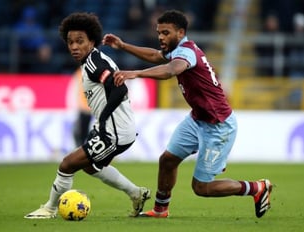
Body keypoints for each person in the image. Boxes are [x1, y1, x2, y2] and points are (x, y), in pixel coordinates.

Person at [103, 10, 272, 218]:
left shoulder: (187, 52)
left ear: (181, 32)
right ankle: (160, 209)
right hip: (197, 119)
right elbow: (156, 56)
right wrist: (123, 46)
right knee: (167, 160)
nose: (161, 37)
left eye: (166, 33)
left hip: (218, 125)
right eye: (159, 33)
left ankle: (256, 187)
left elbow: (170, 70)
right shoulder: (176, 50)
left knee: (202, 188)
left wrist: (136, 73)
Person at [24, 12, 151, 219]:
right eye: (70, 42)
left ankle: (49, 208)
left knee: (67, 164)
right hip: (119, 129)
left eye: (80, 41)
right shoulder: (93, 61)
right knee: (90, 167)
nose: (74, 47)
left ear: (92, 41)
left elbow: (119, 89)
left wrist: (103, 118)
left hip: (114, 131)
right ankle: (136, 193)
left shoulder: (94, 64)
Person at [72, 67, 93, 147]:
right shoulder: (80, 73)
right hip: (84, 108)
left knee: (85, 131)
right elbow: (76, 90)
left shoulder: (82, 72)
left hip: (90, 108)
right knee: (82, 132)